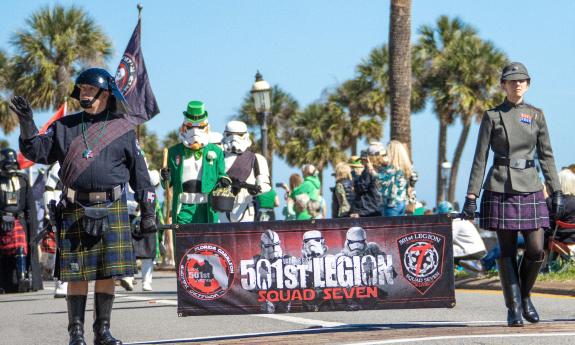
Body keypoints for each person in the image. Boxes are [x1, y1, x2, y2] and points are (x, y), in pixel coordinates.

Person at [14, 67, 158, 345]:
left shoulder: (124, 130)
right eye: (82, 90)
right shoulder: (64, 127)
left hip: (112, 206)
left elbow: (140, 176)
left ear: (105, 94)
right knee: (77, 273)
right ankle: (75, 334)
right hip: (75, 208)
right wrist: (27, 123)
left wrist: (148, 212)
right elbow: (36, 152)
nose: (84, 94)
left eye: (90, 90)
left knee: (107, 273)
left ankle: (102, 332)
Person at [461, 62, 562, 327]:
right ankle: (514, 307)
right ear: (503, 85)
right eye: (511, 81)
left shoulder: (536, 115)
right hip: (500, 186)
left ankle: (526, 295)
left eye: (521, 80)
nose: (517, 84)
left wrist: (556, 189)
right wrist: (471, 195)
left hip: (531, 185)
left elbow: (546, 155)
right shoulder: (492, 116)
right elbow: (480, 158)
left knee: (536, 248)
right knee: (506, 250)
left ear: (527, 84)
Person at [161, 100, 230, 226]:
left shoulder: (216, 151)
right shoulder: (174, 152)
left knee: (207, 242)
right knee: (183, 239)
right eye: (191, 127)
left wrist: (223, 180)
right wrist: (165, 176)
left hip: (207, 206)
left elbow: (221, 173)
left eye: (200, 126)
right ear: (184, 127)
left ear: (207, 127)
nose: (195, 131)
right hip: (183, 206)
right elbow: (166, 184)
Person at [0, 148, 40, 294]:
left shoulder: (23, 180)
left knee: (21, 248)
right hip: (2, 222)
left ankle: (23, 277)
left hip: (19, 222)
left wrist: (32, 228)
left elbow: (30, 206)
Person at [220, 120, 271, 222]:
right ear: (225, 135)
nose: (234, 139)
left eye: (239, 135)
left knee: (245, 237)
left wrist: (256, 189)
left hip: (245, 205)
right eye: (230, 135)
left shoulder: (256, 158)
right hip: (221, 204)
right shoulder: (219, 157)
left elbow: (266, 184)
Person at [436, 201, 486, 273]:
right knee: (447, 249)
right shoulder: (459, 219)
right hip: (479, 250)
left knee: (444, 251)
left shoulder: (455, 222)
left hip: (474, 252)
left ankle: (452, 270)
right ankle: (460, 267)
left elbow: (446, 240)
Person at [379, 140, 414, 216]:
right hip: (402, 203)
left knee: (388, 227)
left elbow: (384, 187)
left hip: (391, 204)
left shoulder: (390, 169)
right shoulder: (405, 169)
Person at [350, 150, 382, 218]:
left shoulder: (367, 171)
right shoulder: (378, 170)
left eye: (363, 160)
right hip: (375, 207)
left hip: (368, 208)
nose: (361, 162)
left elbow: (361, 187)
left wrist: (355, 182)